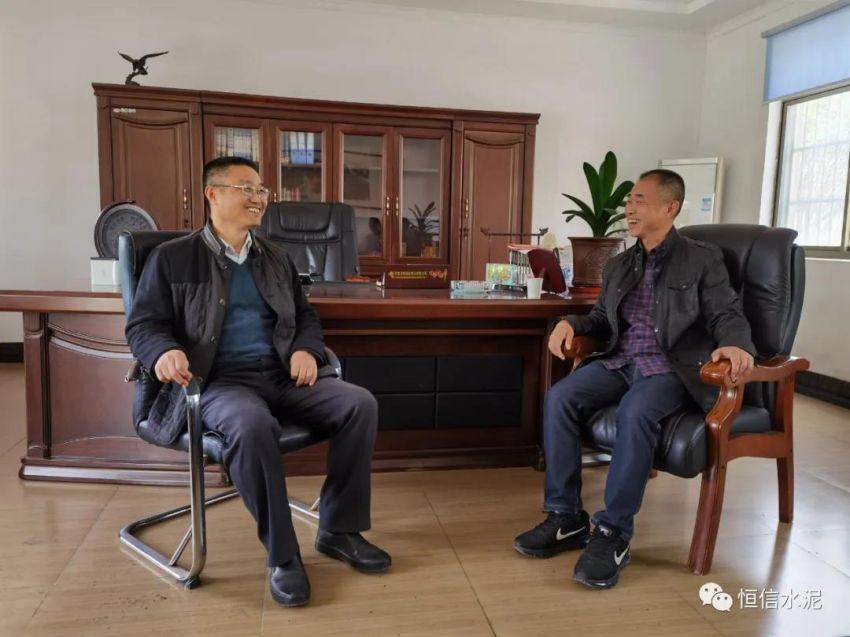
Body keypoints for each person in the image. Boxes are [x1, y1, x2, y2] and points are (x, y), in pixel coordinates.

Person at [125, 156, 391, 608]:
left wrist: (305, 348)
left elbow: (305, 316)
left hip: (281, 374)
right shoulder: (172, 258)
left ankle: (339, 530)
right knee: (252, 426)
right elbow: (143, 324)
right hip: (218, 382)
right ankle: (283, 556)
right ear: (212, 194)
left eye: (261, 190)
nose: (258, 198)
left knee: (358, 404)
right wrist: (163, 351)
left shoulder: (275, 256)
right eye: (245, 188)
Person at [513, 169, 755, 589]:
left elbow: (725, 313)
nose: (629, 208)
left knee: (636, 410)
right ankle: (566, 516)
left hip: (670, 368)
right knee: (560, 397)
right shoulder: (620, 264)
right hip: (619, 361)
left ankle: (614, 533)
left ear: (670, 207)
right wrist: (570, 322)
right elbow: (602, 320)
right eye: (629, 201)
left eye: (639, 200)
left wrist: (736, 344)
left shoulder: (702, 259)